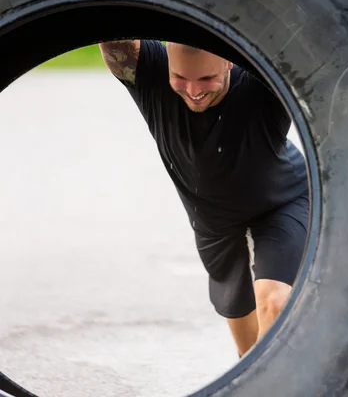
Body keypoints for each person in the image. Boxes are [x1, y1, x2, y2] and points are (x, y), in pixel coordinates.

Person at [99, 38, 309, 357]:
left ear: (229, 61)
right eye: (180, 78)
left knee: (275, 302)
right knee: (245, 340)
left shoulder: (264, 81)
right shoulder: (150, 73)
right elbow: (109, 25)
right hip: (214, 220)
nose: (193, 90)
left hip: (281, 201)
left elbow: (298, 38)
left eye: (206, 79)